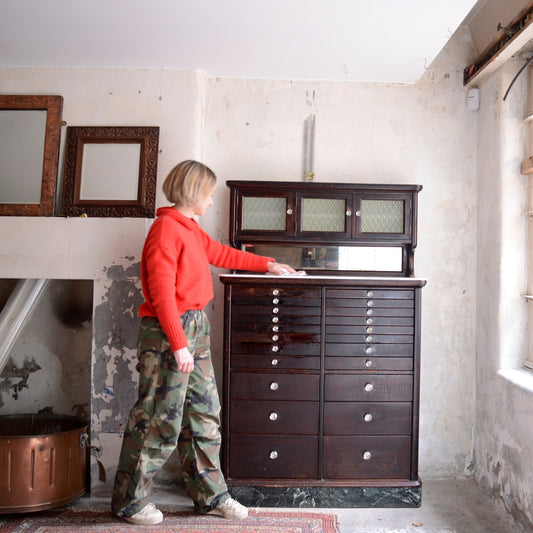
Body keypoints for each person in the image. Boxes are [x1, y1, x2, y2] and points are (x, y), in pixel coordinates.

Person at [111, 160, 296, 525]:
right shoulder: (165, 230)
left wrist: (268, 265)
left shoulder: (190, 230)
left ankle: (211, 497)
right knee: (157, 417)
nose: (212, 202)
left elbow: (222, 254)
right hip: (168, 331)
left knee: (204, 413)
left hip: (194, 325)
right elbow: (162, 292)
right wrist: (178, 343)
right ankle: (128, 502)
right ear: (194, 193)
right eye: (210, 195)